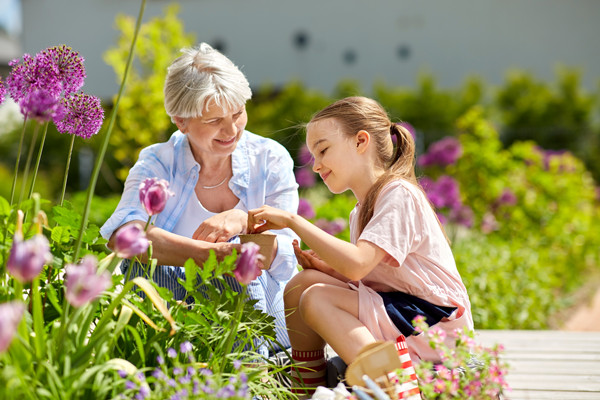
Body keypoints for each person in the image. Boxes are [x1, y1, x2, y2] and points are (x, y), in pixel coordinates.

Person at [248, 96, 473, 395]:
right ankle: (306, 387)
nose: (316, 166)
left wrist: (293, 220)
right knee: (302, 284)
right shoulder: (362, 209)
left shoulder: (399, 194)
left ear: (361, 141)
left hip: (435, 324)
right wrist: (329, 269)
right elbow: (376, 278)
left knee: (317, 298)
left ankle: (397, 387)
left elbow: (358, 263)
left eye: (323, 150)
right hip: (406, 312)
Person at [100, 43, 300, 355]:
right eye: (214, 120)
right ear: (181, 121)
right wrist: (210, 257)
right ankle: (160, 361)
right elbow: (124, 236)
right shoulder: (158, 161)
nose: (231, 129)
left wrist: (244, 220)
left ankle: (249, 375)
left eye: (238, 113)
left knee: (235, 266)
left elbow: (284, 254)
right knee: (136, 266)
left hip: (260, 310)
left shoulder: (270, 158)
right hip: (178, 307)